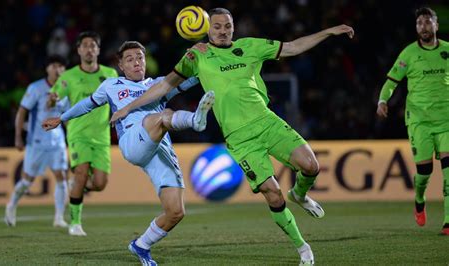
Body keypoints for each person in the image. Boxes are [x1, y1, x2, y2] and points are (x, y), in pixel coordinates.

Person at [110, 7, 354, 265]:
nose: (223, 31)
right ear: (207, 29)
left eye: (227, 26)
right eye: (217, 27)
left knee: (311, 166)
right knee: (272, 193)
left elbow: (293, 47)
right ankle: (302, 247)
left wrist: (329, 31)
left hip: (267, 122)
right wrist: (128, 107)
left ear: (233, 27)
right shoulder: (197, 56)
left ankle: (300, 195)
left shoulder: (250, 46)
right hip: (240, 138)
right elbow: (163, 86)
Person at [42, 41, 214, 265]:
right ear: (121, 65)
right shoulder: (112, 85)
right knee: (159, 117)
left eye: (140, 58)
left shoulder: (159, 84)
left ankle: (141, 245)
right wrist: (61, 118)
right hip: (132, 142)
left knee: (175, 212)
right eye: (130, 59)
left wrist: (203, 57)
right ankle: (194, 120)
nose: (136, 62)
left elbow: (194, 78)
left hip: (160, 148)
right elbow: (87, 104)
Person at [376, 7, 449, 235]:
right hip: (419, 121)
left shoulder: (447, 50)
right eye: (419, 23)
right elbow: (391, 82)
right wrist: (382, 100)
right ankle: (419, 198)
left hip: (446, 119)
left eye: (428, 22)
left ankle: (448, 221)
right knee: (424, 173)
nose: (423, 27)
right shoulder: (408, 54)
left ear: (436, 25)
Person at [48, 31, 118, 236]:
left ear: (98, 50)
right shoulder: (68, 76)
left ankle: (77, 186)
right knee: (80, 172)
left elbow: (118, 100)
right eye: (85, 45)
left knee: (99, 184)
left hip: (102, 137)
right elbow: (54, 97)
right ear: (78, 49)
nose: (89, 49)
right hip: (78, 134)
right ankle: (75, 223)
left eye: (93, 45)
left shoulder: (110, 74)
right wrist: (51, 100)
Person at [5, 55, 69, 228]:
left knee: (62, 177)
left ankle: (59, 218)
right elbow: (21, 112)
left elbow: (68, 115)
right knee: (27, 181)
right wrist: (18, 136)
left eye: (61, 66)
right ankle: (11, 205)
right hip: (37, 141)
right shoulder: (36, 88)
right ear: (47, 68)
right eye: (54, 65)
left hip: (58, 142)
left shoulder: (66, 88)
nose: (58, 69)